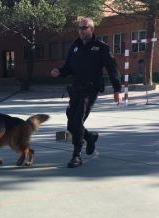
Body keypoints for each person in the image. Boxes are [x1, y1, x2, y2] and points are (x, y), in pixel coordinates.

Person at [51, 17, 122, 168]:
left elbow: (112, 68)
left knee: (77, 122)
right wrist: (60, 71)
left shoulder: (100, 47)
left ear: (92, 29)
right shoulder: (75, 46)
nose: (81, 30)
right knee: (71, 125)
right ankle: (90, 137)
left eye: (84, 27)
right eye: (79, 28)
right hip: (75, 89)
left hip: (90, 90)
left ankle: (76, 156)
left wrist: (117, 89)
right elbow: (68, 67)